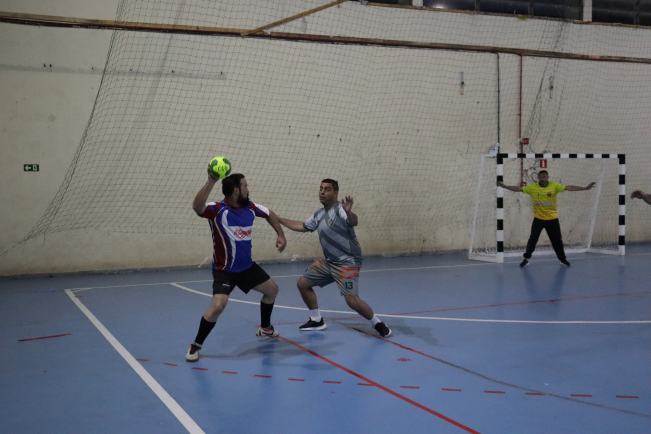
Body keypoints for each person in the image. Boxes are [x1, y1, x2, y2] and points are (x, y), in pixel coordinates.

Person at [185, 171, 287, 362]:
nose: (248, 190)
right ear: (236, 190)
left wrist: (280, 234)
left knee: (272, 290)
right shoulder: (217, 210)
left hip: (247, 268)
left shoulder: (250, 207)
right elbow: (197, 207)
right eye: (245, 186)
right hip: (224, 271)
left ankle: (265, 328)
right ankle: (196, 345)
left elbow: (269, 213)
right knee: (218, 306)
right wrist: (211, 181)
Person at [277, 179, 391, 338]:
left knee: (351, 300)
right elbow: (302, 226)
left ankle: (377, 323)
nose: (322, 192)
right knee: (303, 284)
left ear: (335, 193)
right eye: (321, 189)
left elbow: (353, 221)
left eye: (327, 189)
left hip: (347, 261)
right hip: (329, 262)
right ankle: (316, 320)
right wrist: (278, 219)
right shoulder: (318, 214)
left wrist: (349, 212)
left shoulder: (340, 209)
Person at [497, 170, 595, 268]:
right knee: (532, 240)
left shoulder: (554, 186)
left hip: (552, 219)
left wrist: (585, 188)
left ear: (548, 177)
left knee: (557, 241)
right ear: (538, 178)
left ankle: (562, 259)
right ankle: (526, 259)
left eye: (544, 176)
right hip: (538, 219)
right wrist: (505, 186)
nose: (542, 178)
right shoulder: (532, 188)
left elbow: (569, 187)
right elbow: (518, 189)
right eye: (540, 176)